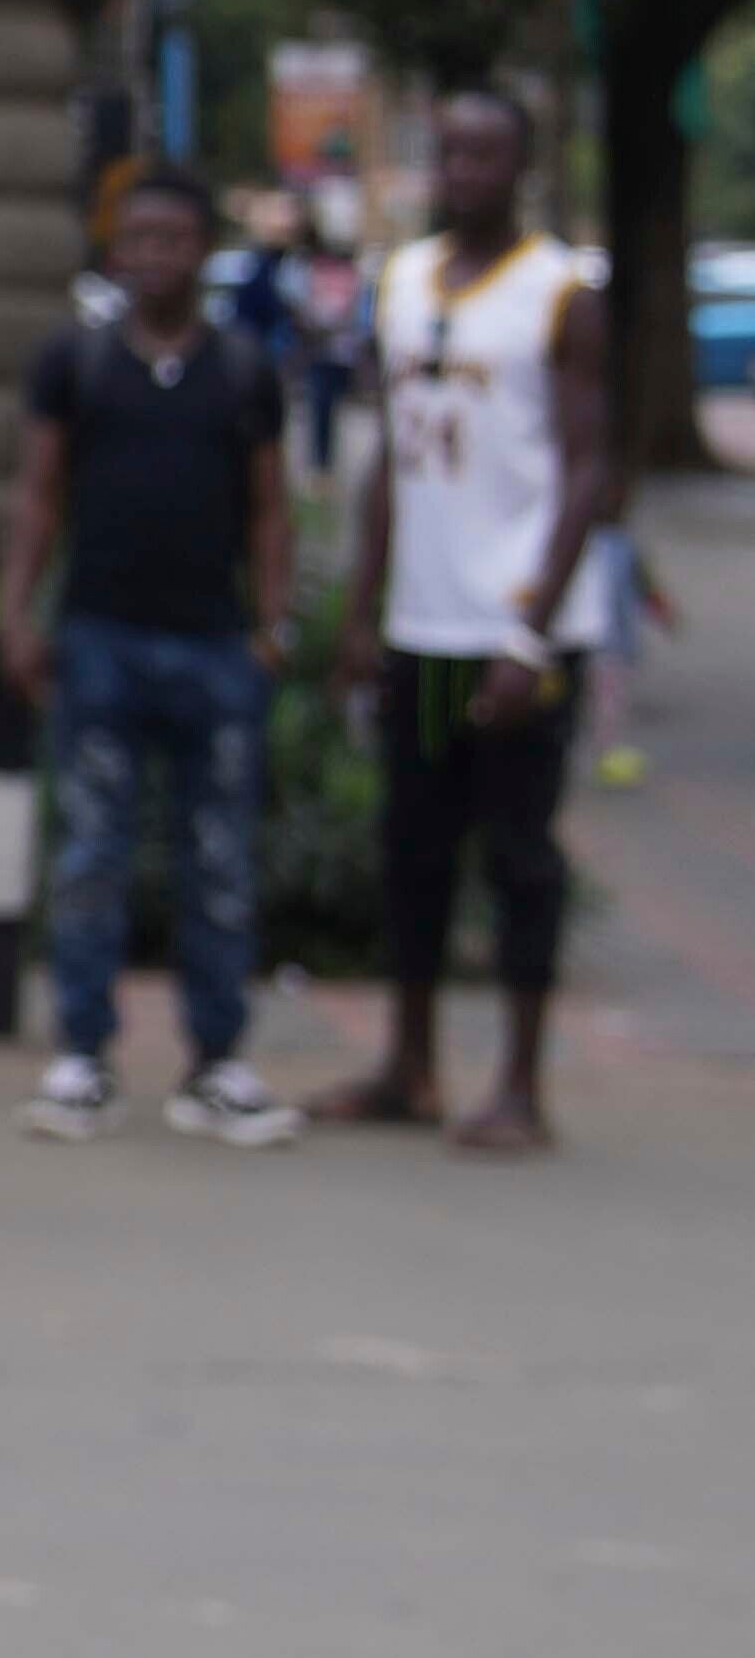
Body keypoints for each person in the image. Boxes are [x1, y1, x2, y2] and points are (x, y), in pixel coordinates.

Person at [0, 160, 297, 1143]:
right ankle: (82, 1049)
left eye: (172, 238)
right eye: (136, 238)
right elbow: (40, 495)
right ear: (113, 249)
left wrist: (273, 623)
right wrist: (18, 613)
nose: (152, 255)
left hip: (211, 643)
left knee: (215, 858)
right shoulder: (73, 364)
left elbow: (268, 507)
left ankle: (215, 1056)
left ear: (202, 250)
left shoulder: (243, 371)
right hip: (100, 637)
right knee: (91, 851)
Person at [341, 87, 610, 1156]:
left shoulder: (560, 293)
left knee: (517, 855)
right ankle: (407, 1064)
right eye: (449, 152)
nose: (464, 171)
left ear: (521, 166)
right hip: (422, 625)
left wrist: (531, 632)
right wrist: (358, 608)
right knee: (411, 845)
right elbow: (389, 460)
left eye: (486, 153)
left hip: (510, 634)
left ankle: (520, 1083)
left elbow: (590, 470)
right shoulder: (400, 281)